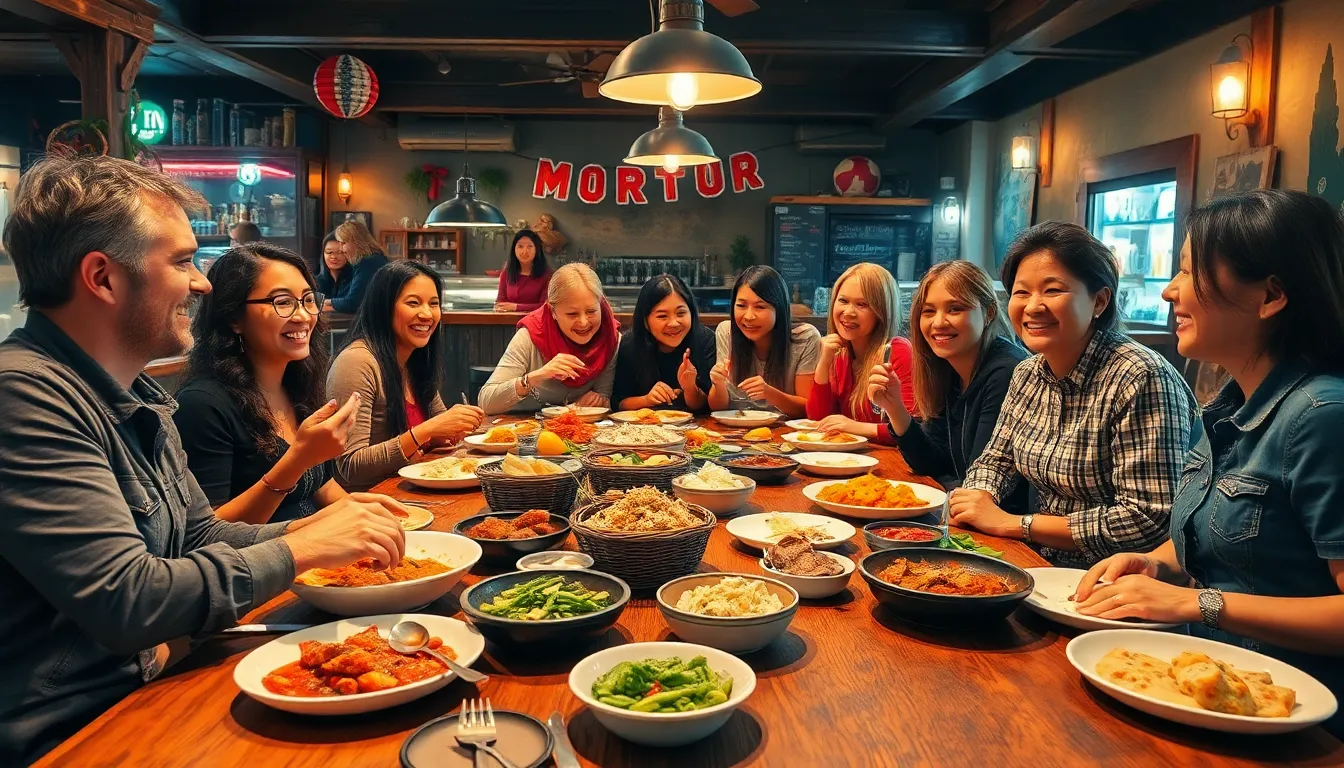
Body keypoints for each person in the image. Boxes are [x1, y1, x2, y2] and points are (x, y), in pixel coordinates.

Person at [0, 154, 406, 765]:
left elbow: (201, 533)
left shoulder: (138, 394)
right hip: (70, 734)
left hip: (148, 690)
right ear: (103, 278)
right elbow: (127, 599)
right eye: (183, 262)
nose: (204, 284)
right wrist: (304, 547)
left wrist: (326, 528)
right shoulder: (24, 397)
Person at [1074, 190, 1344, 736]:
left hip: (1294, 723)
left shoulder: (1322, 415)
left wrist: (1196, 602)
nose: (1171, 291)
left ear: (1271, 296)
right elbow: (1228, 533)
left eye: (1190, 273)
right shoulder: (1228, 406)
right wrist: (1154, 563)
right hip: (1203, 690)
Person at [951, 221, 1195, 568]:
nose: (1033, 306)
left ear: (1099, 300)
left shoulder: (1139, 376)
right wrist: (977, 497)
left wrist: (1018, 524)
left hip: (1118, 580)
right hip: (1040, 565)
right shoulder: (1028, 373)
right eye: (1021, 293)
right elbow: (997, 460)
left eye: (1053, 290)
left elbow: (1148, 519)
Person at [174, 244, 427, 524]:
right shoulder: (202, 405)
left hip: (320, 555)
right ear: (234, 317)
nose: (303, 316)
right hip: (265, 564)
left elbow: (318, 486)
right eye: (282, 302)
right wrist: (297, 461)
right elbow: (209, 533)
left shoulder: (298, 386)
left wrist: (363, 510)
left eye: (308, 300)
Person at [867, 261, 1029, 507]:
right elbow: (931, 462)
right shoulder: (947, 368)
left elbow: (978, 483)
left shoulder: (1007, 371)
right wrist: (894, 408)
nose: (939, 322)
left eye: (955, 309)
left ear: (989, 313)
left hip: (1003, 527)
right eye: (929, 311)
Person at [327, 261, 485, 489]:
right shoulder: (357, 362)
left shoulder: (414, 359)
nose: (426, 314)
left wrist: (449, 431)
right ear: (384, 307)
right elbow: (350, 466)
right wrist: (427, 431)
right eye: (413, 303)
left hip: (413, 493)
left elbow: (440, 430)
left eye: (434, 304)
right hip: (368, 505)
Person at [478, 263, 619, 415]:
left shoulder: (610, 337)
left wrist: (599, 401)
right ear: (553, 312)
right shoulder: (530, 336)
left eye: (591, 311)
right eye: (572, 314)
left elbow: (606, 399)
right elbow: (486, 402)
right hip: (521, 430)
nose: (584, 322)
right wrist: (537, 376)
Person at [806, 262, 915, 440]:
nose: (848, 312)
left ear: (882, 312)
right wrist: (824, 362)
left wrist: (854, 427)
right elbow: (818, 418)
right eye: (843, 301)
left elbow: (914, 431)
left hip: (892, 464)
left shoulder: (897, 352)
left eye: (862, 304)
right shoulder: (840, 353)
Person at [708, 265, 820, 418]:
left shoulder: (805, 338)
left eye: (760, 307)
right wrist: (718, 384)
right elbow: (718, 408)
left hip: (787, 434)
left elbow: (807, 408)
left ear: (778, 309)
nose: (749, 316)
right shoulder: (727, 332)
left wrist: (770, 393)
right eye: (741, 305)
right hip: (734, 433)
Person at [612, 274, 715, 413]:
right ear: (645, 321)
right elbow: (618, 403)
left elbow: (707, 406)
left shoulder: (704, 340)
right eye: (662, 316)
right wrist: (646, 400)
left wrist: (690, 386)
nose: (674, 323)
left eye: (681, 313)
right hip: (644, 428)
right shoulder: (630, 344)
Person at [323, 219, 389, 315]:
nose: (341, 249)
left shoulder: (368, 263)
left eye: (343, 243)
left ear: (356, 242)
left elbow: (353, 303)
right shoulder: (374, 259)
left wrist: (327, 302)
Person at [494, 228, 551, 312]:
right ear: (514, 249)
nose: (525, 251)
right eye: (520, 246)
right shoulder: (506, 273)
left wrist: (516, 307)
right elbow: (500, 303)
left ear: (537, 249)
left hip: (536, 323)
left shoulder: (547, 276)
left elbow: (546, 306)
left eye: (530, 246)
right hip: (508, 322)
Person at [316, 231, 351, 305]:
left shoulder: (356, 280)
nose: (334, 257)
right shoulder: (315, 281)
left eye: (340, 252)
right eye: (329, 252)